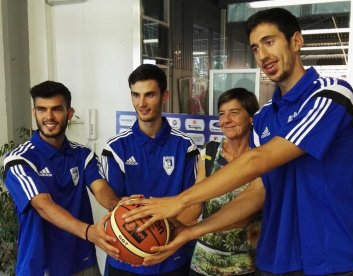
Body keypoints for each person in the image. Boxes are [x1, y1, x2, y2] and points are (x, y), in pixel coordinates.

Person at [127, 8, 353, 276]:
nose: (262, 56)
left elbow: (258, 160)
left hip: (327, 261)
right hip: (274, 260)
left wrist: (179, 201)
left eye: (269, 42)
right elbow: (256, 193)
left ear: (296, 41)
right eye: (255, 48)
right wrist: (193, 231)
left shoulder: (331, 95)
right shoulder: (264, 118)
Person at [3, 81, 120, 276]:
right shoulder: (18, 160)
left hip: (82, 261)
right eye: (42, 109)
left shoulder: (83, 154)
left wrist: (121, 208)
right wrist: (89, 232)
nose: (49, 117)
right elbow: (43, 205)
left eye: (56, 109)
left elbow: (101, 190)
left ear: (69, 113)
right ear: (35, 113)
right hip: (40, 265)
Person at [101, 64, 200, 275]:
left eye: (149, 95)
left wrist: (160, 226)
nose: (141, 103)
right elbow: (115, 205)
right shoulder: (116, 148)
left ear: (165, 96)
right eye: (136, 95)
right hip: (126, 258)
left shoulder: (186, 147)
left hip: (173, 258)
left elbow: (193, 206)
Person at [186, 88, 263, 276]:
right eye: (222, 114)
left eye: (234, 112)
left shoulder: (261, 158)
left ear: (251, 117)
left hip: (245, 266)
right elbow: (195, 206)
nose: (226, 120)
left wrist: (192, 231)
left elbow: (244, 216)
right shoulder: (210, 153)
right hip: (202, 263)